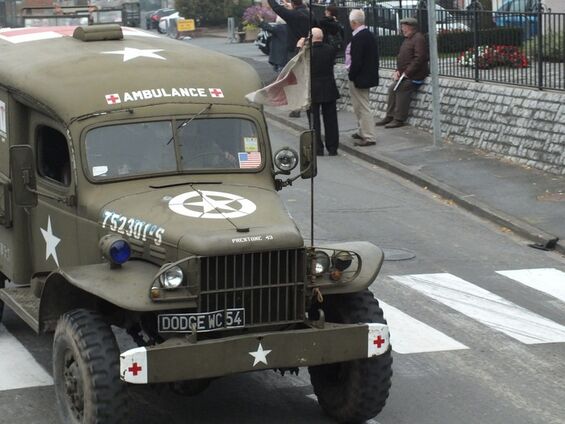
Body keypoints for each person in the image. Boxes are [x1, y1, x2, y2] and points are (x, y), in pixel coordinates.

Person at [375, 17, 429, 129]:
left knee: (401, 88)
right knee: (392, 88)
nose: (402, 29)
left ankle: (399, 119)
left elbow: (419, 58)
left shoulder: (418, 38)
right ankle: (390, 116)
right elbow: (402, 58)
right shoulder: (408, 39)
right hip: (405, 75)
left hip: (415, 76)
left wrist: (407, 73)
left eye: (404, 27)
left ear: (410, 27)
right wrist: (398, 71)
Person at [267, 0, 313, 118]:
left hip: (295, 50)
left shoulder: (293, 16)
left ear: (292, 4)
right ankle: (312, 105)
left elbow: (277, 8)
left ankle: (297, 108)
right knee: (308, 78)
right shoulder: (309, 13)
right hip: (309, 49)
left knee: (295, 81)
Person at [299, 27, 340, 156]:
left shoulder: (307, 52)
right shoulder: (330, 50)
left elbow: (298, 64)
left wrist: (300, 46)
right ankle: (332, 147)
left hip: (313, 89)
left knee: (314, 120)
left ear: (310, 38)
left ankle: (318, 148)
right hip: (328, 87)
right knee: (331, 119)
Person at [347, 9, 379, 147]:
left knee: (363, 106)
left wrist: (351, 75)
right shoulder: (368, 35)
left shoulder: (359, 37)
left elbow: (357, 61)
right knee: (358, 106)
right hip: (367, 75)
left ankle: (369, 136)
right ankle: (362, 131)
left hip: (360, 77)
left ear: (353, 22)